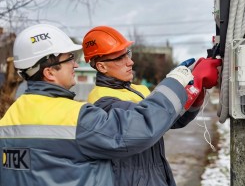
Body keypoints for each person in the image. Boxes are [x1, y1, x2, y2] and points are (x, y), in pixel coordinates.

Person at [0, 24, 203, 186]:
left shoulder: (8, 119)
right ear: (50, 72)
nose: (76, 64)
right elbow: (139, 128)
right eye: (69, 58)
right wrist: (175, 82)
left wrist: (196, 93)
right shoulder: (76, 117)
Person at [82, 25, 222, 186]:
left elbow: (169, 119)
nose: (130, 62)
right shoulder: (102, 102)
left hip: (155, 175)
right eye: (120, 58)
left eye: (127, 53)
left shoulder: (137, 90)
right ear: (101, 66)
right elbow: (148, 123)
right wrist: (175, 82)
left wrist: (196, 90)